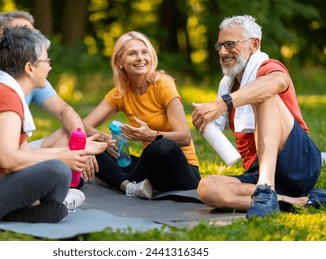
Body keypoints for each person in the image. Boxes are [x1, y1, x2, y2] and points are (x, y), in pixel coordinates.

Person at [0, 27, 106, 223]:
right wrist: (60, 157)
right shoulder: (5, 97)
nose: (49, 67)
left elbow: (25, 153)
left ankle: (30, 209)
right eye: (47, 61)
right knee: (57, 170)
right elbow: (8, 159)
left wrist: (70, 152)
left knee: (59, 168)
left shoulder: (5, 92)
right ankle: (29, 210)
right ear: (30, 68)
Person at [191, 15, 324, 218]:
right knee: (207, 188)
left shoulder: (267, 67)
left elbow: (278, 82)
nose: (223, 52)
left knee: (263, 94)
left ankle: (265, 187)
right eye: (220, 46)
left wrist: (224, 103)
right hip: (256, 168)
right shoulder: (227, 84)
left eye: (230, 44)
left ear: (254, 44)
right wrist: (204, 120)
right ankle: (295, 201)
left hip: (297, 162)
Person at [84, 31, 201, 199]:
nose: (140, 58)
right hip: (149, 172)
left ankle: (116, 180)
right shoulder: (121, 93)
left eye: (144, 52)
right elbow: (80, 125)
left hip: (181, 171)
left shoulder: (163, 84)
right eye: (132, 53)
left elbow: (185, 137)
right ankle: (127, 186)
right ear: (120, 61)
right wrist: (102, 138)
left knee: (162, 147)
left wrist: (152, 135)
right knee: (94, 149)